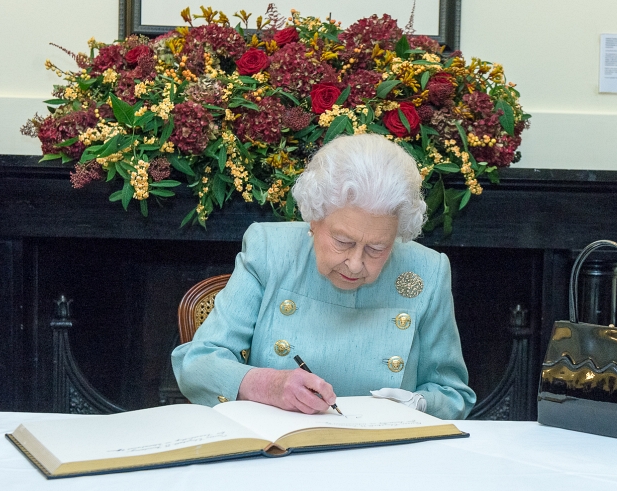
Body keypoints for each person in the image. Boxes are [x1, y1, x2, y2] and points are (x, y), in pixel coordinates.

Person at [172, 133, 476, 419]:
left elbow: (453, 395)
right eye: (343, 242)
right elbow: (196, 364)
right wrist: (268, 384)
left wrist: (418, 405)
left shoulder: (427, 271)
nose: (355, 264)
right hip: (278, 454)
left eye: (377, 248)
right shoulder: (270, 251)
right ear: (314, 217)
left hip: (382, 457)